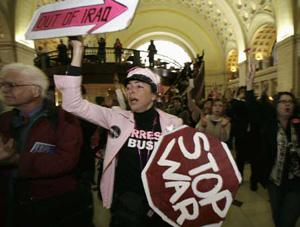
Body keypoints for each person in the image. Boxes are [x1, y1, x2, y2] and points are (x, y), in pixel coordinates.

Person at [54, 38, 182, 227]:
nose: (131, 92)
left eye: (139, 87)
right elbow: (73, 104)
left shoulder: (173, 123)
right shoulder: (116, 117)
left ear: (154, 95)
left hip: (161, 203)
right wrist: (77, 54)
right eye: (129, 87)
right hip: (125, 202)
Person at [0, 63, 93, 227]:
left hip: (51, 205)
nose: (5, 90)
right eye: (2, 84)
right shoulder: (5, 120)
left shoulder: (63, 120)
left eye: (12, 85)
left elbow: (65, 160)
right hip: (11, 204)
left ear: (35, 90)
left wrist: (17, 161)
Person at [246, 64, 300, 227]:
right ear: (276, 105)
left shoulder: (297, 124)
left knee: (286, 220)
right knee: (278, 218)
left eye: (290, 102)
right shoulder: (269, 124)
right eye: (283, 102)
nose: (287, 105)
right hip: (274, 181)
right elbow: (252, 107)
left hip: (296, 181)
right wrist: (250, 83)